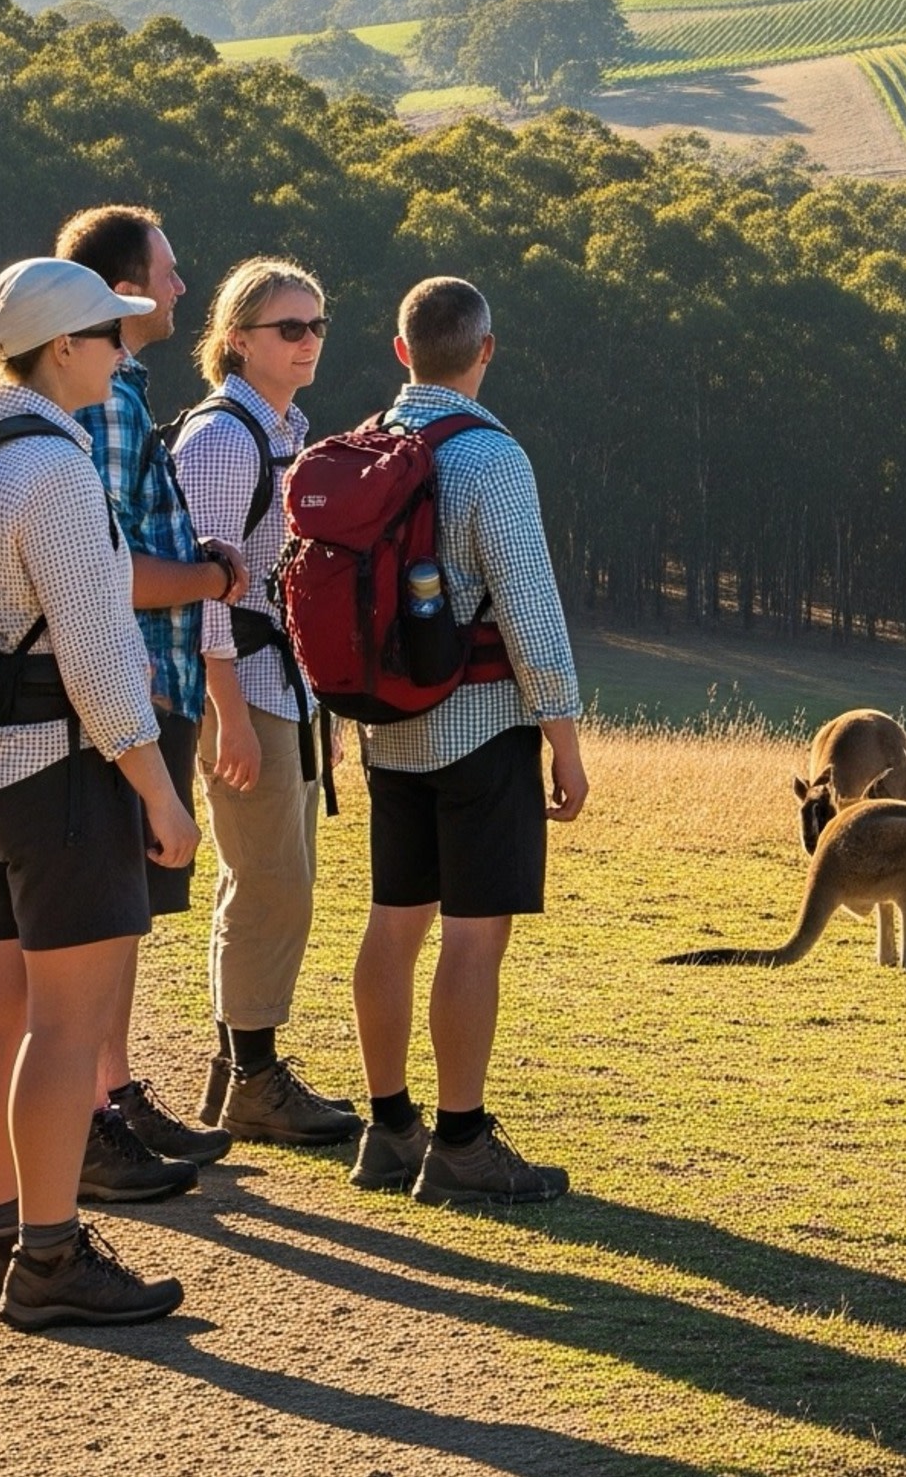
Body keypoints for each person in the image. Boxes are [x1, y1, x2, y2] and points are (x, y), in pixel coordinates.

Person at [0, 257, 199, 1328]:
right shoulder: (55, 468)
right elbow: (93, 657)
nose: (124, 347)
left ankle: (0, 1236)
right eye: (111, 333)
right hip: (59, 780)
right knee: (66, 1031)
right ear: (66, 350)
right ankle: (51, 1257)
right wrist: (160, 799)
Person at [348, 276, 588, 1206]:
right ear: (485, 349)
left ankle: (388, 1126)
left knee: (393, 922)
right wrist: (563, 738)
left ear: (402, 349)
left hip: (386, 730)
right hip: (482, 725)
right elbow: (529, 608)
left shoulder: (369, 442)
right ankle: (461, 1142)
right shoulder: (491, 457)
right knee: (474, 937)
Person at [55, 204, 241, 1194]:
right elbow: (108, 568)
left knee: (125, 912)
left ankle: (113, 1095)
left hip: (138, 683)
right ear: (125, 286)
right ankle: (90, 1121)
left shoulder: (118, 389)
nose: (179, 287)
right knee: (102, 914)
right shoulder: (110, 402)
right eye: (166, 272)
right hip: (122, 682)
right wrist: (210, 579)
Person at [175, 257, 362, 1147]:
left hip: (280, 684)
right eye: (291, 327)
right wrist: (233, 713)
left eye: (319, 324)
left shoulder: (283, 431)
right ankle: (251, 1077)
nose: (310, 340)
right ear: (238, 338)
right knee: (270, 881)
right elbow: (205, 587)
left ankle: (237, 1072)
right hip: (240, 683)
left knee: (274, 877)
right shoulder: (223, 440)